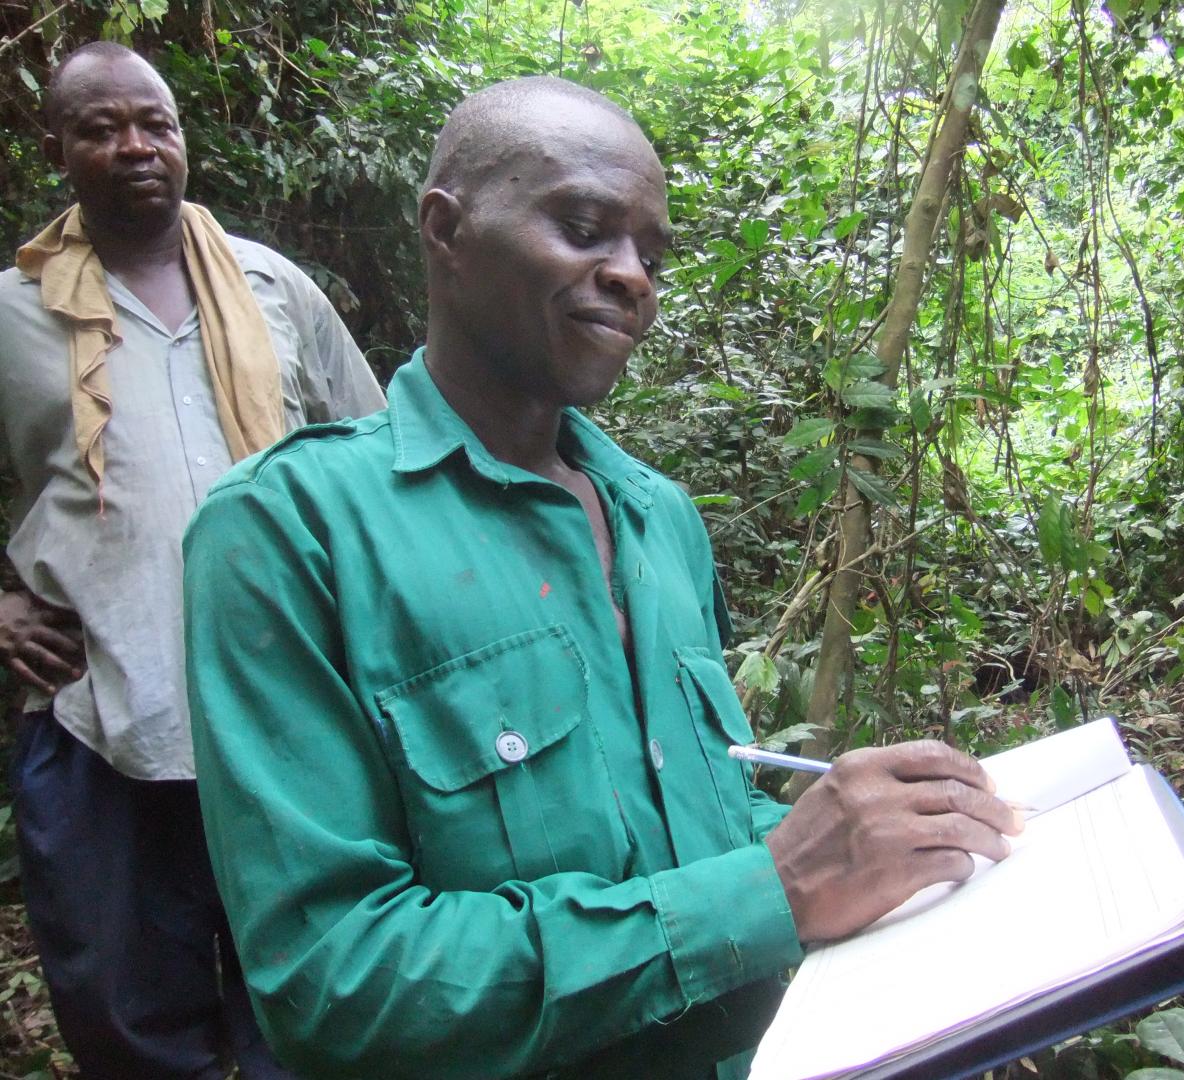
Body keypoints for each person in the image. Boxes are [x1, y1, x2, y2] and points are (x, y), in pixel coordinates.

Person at [182, 76, 1022, 1079]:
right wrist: (776, 889)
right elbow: (333, 980)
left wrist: (862, 841)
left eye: (652, 255)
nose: (631, 276)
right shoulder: (286, 531)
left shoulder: (658, 517)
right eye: (585, 228)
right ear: (446, 231)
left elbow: (690, 817)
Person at [0, 41, 385, 1079]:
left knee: (301, 1005)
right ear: (57, 148)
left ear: (182, 139)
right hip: (102, 720)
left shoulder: (273, 286)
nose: (135, 146)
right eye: (101, 128)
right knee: (126, 1022)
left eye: (154, 124)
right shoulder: (11, 313)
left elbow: (381, 462)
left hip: (293, 717)